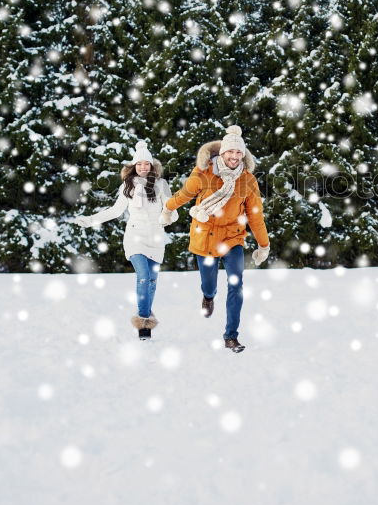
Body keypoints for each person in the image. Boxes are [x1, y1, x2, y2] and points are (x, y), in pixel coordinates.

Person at [160, 125, 270, 353]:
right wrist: (168, 209)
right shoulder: (203, 173)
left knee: (236, 285)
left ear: (243, 155)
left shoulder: (247, 180)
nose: (234, 157)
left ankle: (231, 336)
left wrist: (263, 244)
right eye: (230, 152)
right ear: (222, 153)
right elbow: (184, 195)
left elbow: (255, 216)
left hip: (232, 238)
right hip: (206, 236)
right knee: (208, 284)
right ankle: (208, 296)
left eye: (239, 153)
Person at [75, 141, 176, 340]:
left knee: (153, 282)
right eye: (139, 164)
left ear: (152, 166)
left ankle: (145, 315)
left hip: (156, 238)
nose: (143, 168)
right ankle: (144, 322)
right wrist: (90, 220)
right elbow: (115, 211)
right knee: (144, 276)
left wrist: (169, 217)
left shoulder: (161, 185)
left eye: (147, 164)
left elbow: (172, 210)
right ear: (133, 166)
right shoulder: (127, 186)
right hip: (135, 237)